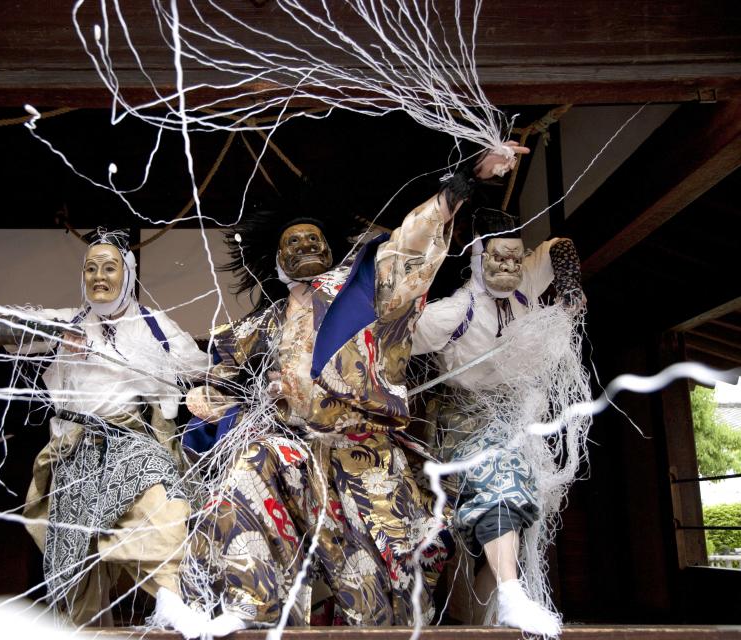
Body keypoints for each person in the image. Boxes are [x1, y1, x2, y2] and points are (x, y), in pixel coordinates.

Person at [183, 143, 528, 634]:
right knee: (249, 462)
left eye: (314, 240)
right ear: (276, 261)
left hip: (367, 461)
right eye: (293, 243)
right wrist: (210, 401)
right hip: (299, 459)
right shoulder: (259, 327)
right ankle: (247, 605)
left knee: (381, 603)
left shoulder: (362, 293)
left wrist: (460, 186)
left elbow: (408, 247)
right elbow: (223, 386)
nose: (305, 248)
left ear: (331, 249)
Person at [0, 229, 208, 635]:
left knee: (163, 506)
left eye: (110, 268)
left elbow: (199, 367)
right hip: (74, 449)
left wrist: (137, 359)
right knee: (75, 573)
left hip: (130, 441)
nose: (99, 277)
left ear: (128, 273)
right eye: (91, 269)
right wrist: (54, 335)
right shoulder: (68, 321)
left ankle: (170, 599)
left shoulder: (153, 326)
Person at [410, 211, 586, 636]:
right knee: (499, 484)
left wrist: (569, 285)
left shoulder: (526, 284)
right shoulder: (454, 312)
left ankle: (496, 615)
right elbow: (396, 341)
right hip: (463, 418)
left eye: (514, 259)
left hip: (515, 417)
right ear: (476, 257)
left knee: (520, 523)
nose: (507, 268)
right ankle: (509, 593)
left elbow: (560, 245)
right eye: (496, 259)